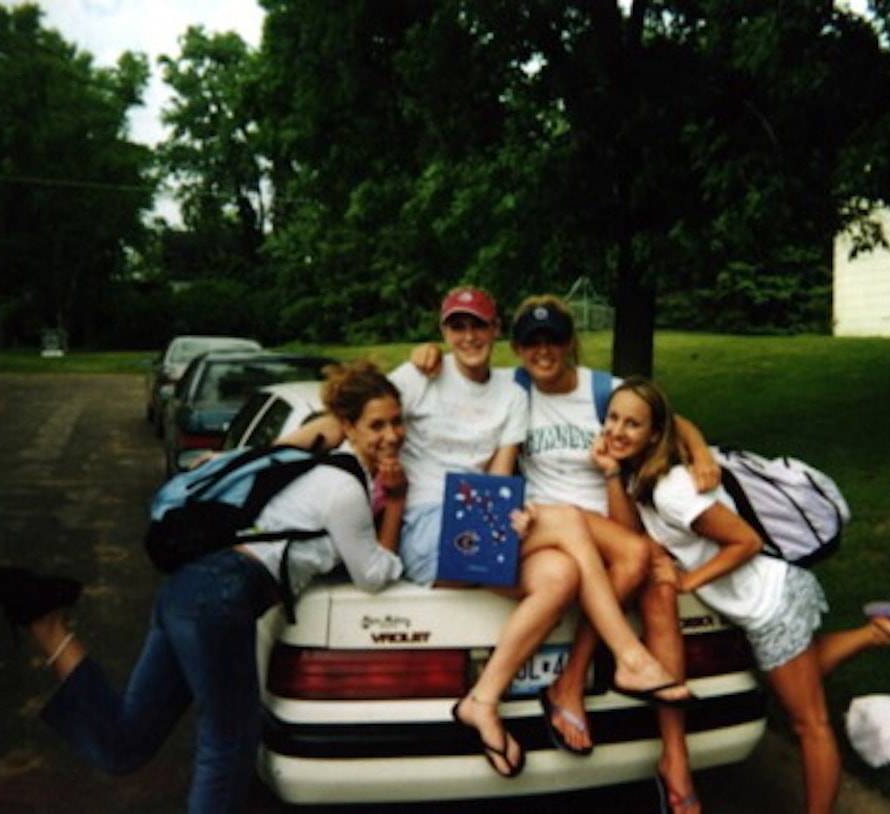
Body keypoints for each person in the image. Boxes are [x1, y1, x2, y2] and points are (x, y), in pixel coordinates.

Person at [285, 287, 691, 780]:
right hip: (427, 528)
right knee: (563, 519)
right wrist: (273, 453)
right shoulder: (418, 377)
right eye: (458, 326)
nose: (469, 336)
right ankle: (628, 655)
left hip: (477, 525)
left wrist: (508, 519)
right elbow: (342, 419)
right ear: (443, 332)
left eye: (478, 325)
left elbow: (499, 479)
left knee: (560, 575)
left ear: (495, 331)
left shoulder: (511, 394)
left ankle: (482, 700)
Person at [0, 360, 408, 814]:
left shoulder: (311, 461)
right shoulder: (344, 487)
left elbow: (316, 435)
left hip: (188, 589)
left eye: (398, 421)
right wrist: (395, 503)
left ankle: (48, 625)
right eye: (377, 424)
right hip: (220, 595)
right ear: (349, 426)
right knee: (229, 742)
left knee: (126, 742)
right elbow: (372, 575)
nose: (392, 435)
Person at [414, 294, 715, 811]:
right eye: (531, 341)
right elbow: (464, 369)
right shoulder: (512, 388)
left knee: (656, 579)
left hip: (609, 515)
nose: (542, 350)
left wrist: (703, 453)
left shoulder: (603, 390)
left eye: (553, 338)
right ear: (517, 347)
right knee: (639, 561)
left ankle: (669, 754)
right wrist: (427, 353)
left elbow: (670, 418)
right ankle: (596, 674)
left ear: (571, 341)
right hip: (548, 528)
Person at [596, 376, 890, 814]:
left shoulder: (672, 489)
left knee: (809, 722)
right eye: (612, 419)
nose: (616, 431)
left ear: (655, 434)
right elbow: (629, 536)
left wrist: (689, 582)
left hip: (773, 603)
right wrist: (608, 471)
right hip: (763, 601)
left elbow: (747, 541)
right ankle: (878, 632)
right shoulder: (642, 481)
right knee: (796, 680)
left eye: (632, 424)